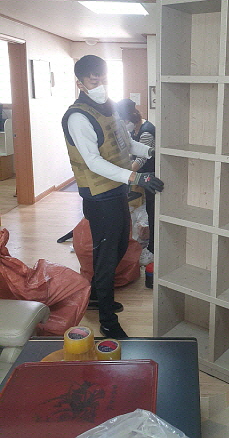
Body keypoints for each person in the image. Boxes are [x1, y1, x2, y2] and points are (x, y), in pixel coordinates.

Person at [62, 55, 164, 339]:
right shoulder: (78, 117)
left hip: (117, 189)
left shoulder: (109, 108)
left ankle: (96, 297)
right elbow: (93, 161)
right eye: (93, 79)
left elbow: (126, 143)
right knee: (106, 256)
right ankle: (107, 320)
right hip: (98, 196)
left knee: (119, 246)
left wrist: (151, 152)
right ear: (81, 82)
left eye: (103, 77)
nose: (100, 83)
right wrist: (136, 177)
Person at [117, 98, 156, 258]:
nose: (124, 124)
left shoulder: (146, 131)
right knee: (146, 209)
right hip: (143, 175)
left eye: (125, 121)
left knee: (152, 210)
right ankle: (148, 242)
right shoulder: (135, 128)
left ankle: (153, 250)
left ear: (132, 118)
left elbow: (141, 158)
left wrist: (126, 174)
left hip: (152, 175)